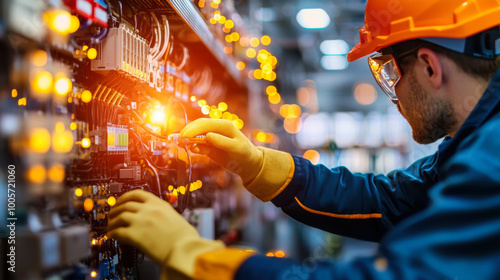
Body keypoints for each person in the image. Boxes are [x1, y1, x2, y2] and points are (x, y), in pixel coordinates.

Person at [107, 1, 500, 279]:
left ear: (430, 66)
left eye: (390, 72)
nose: (393, 93)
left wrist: (195, 258)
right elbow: (386, 200)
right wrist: (257, 164)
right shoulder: (475, 143)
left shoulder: (492, 156)